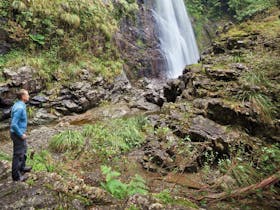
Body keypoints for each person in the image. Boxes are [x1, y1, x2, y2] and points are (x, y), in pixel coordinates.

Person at [10, 89, 32, 181]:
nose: (29, 96)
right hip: (17, 134)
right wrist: (20, 134)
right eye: (27, 94)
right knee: (18, 154)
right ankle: (16, 177)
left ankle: (22, 167)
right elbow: (13, 124)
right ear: (23, 97)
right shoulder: (19, 108)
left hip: (19, 133)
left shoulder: (19, 104)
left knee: (24, 150)